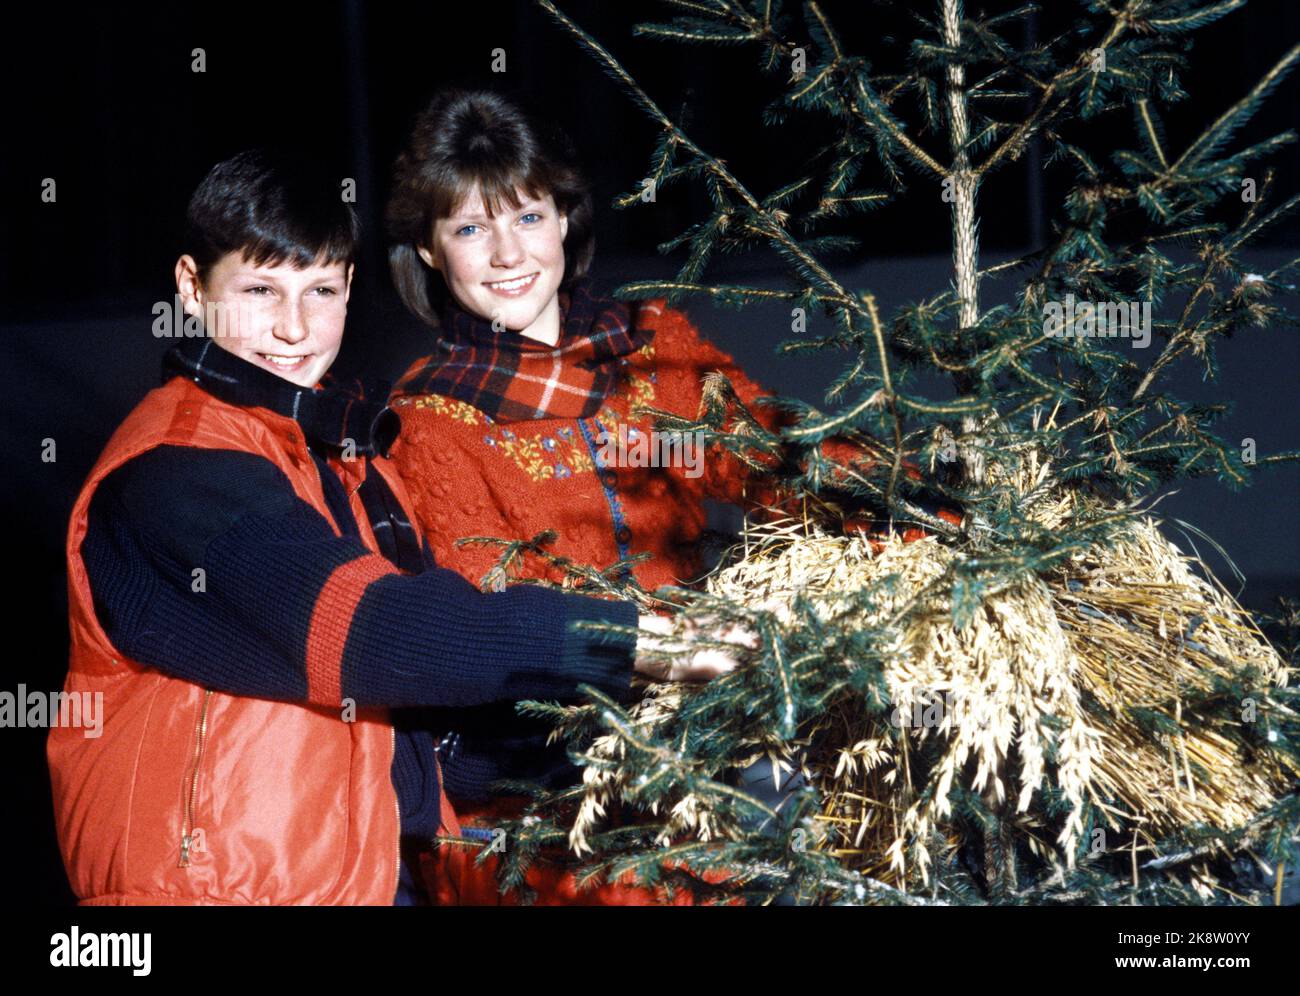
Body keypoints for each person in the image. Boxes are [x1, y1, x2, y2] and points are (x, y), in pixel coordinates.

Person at [46, 149, 742, 906]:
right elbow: (375, 632)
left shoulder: (345, 462)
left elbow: (415, 738)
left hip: (364, 882)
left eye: (320, 290)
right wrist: (639, 643)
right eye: (258, 290)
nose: (292, 328)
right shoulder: (172, 473)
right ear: (190, 286)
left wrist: (628, 748)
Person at [384, 89, 963, 904]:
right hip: (553, 806)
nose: (508, 253)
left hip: (719, 747)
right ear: (431, 251)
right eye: (470, 229)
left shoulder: (649, 347)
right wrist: (661, 681)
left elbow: (779, 459)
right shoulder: (429, 420)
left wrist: (928, 506)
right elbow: (502, 630)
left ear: (566, 221)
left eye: (528, 217)